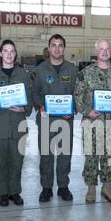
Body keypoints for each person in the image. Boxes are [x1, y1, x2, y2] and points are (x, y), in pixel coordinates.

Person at [75, 39, 111, 204]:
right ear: (96, 51)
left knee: (110, 155)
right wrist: (87, 110)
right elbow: (77, 96)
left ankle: (107, 185)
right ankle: (91, 186)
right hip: (92, 122)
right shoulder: (86, 73)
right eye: (101, 49)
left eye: (107, 49)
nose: (105, 52)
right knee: (91, 155)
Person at [0, 39, 32, 206]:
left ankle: (15, 192)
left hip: (18, 125)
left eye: (12, 51)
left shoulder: (23, 75)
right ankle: (3, 193)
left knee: (17, 162)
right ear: (0, 53)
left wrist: (24, 109)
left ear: (15, 54)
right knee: (0, 162)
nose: (9, 54)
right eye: (6, 51)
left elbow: (30, 100)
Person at [32, 34, 78, 202]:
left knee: (65, 154)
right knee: (46, 154)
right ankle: (46, 188)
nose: (57, 48)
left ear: (64, 48)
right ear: (49, 48)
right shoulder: (40, 70)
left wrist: (73, 108)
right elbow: (34, 93)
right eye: (54, 45)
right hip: (46, 119)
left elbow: (77, 93)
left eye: (60, 45)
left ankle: (63, 187)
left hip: (66, 120)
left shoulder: (72, 70)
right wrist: (40, 105)